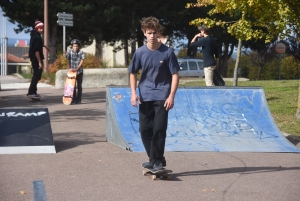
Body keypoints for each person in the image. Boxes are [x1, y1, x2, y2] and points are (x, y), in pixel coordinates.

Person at [128, 16, 180, 171]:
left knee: (159, 129)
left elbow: (175, 75)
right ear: (144, 33)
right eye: (149, 33)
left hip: (162, 96)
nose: (152, 36)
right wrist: (133, 93)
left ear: (158, 33)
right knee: (144, 130)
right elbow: (132, 73)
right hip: (144, 96)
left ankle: (156, 160)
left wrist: (171, 96)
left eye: (154, 33)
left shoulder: (167, 52)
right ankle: (154, 158)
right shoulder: (140, 52)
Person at [27, 20, 50, 98]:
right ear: (37, 29)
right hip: (36, 58)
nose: (42, 30)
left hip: (33, 58)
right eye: (40, 28)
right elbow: (36, 51)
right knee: (37, 75)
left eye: (42, 28)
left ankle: (33, 91)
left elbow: (37, 44)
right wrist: (40, 62)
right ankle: (31, 92)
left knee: (37, 75)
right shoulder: (37, 37)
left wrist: (44, 46)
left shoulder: (35, 35)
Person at [65, 39, 85, 104]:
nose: (75, 47)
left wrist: (77, 68)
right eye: (74, 46)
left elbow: (82, 60)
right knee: (72, 86)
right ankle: (73, 99)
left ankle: (79, 99)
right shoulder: (69, 52)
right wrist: (69, 68)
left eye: (77, 46)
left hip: (79, 72)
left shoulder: (81, 52)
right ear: (72, 46)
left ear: (78, 46)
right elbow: (67, 60)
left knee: (79, 86)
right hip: (72, 72)